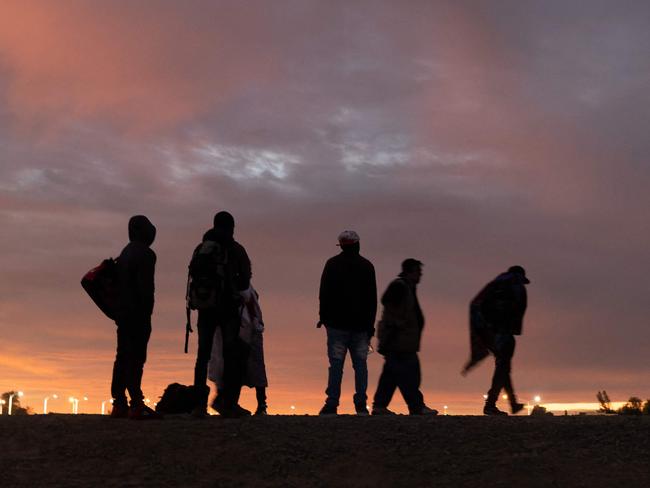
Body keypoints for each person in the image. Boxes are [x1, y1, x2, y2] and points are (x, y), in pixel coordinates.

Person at [191, 211, 252, 418]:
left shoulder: (201, 249)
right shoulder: (236, 249)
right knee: (230, 355)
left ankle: (198, 406)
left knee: (202, 356)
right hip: (228, 309)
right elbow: (245, 280)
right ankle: (227, 402)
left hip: (205, 308)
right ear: (231, 227)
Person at [318, 230, 377, 416]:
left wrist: (324, 318)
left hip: (336, 324)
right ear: (357, 245)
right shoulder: (366, 266)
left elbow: (324, 293)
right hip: (360, 326)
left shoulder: (332, 265)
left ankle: (332, 403)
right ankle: (360, 404)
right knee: (360, 365)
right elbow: (371, 299)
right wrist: (370, 325)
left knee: (336, 364)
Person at [372, 259, 438, 416]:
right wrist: (398, 323)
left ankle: (380, 406)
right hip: (399, 341)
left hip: (402, 341)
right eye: (418, 272)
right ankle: (416, 406)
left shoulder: (407, 287)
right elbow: (387, 301)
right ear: (410, 272)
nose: (420, 275)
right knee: (410, 374)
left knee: (392, 375)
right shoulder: (400, 286)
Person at [461, 265, 530, 416]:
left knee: (503, 368)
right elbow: (517, 308)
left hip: (492, 333)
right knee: (502, 369)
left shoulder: (495, 286)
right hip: (503, 333)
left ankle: (512, 403)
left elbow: (478, 305)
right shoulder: (514, 285)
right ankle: (491, 405)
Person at [111, 215, 161, 420]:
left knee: (122, 356)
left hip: (122, 314)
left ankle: (119, 403)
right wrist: (147, 311)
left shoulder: (125, 253)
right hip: (138, 314)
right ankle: (136, 403)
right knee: (136, 358)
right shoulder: (147, 254)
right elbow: (146, 289)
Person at [208, 284, 268, 415]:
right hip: (245, 330)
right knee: (244, 367)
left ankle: (226, 400)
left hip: (241, 329)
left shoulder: (232, 287)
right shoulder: (244, 289)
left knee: (231, 367)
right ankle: (255, 404)